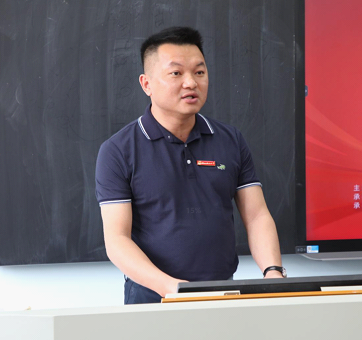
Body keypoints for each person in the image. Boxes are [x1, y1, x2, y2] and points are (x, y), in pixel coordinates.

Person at [96, 26, 284, 304]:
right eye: (176, 73)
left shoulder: (230, 140)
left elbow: (256, 216)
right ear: (146, 84)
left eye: (199, 72)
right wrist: (173, 288)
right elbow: (117, 240)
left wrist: (273, 272)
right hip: (152, 297)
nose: (191, 83)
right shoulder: (118, 150)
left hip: (223, 292)